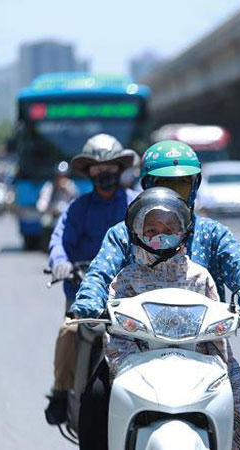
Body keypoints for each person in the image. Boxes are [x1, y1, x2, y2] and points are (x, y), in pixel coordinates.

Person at [70, 141, 240, 449]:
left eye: (182, 184)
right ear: (147, 187)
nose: (174, 194)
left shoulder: (212, 234)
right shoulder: (123, 233)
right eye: (165, 185)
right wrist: (89, 299)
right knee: (95, 399)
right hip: (134, 349)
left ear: (195, 186)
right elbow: (100, 273)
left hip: (202, 349)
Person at [45, 134, 138, 425]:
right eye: (98, 169)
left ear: (120, 169)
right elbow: (59, 242)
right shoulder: (78, 208)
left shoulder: (136, 204)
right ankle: (61, 392)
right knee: (69, 332)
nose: (104, 173)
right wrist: (61, 263)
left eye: (110, 167)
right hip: (82, 294)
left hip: (130, 295)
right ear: (89, 173)